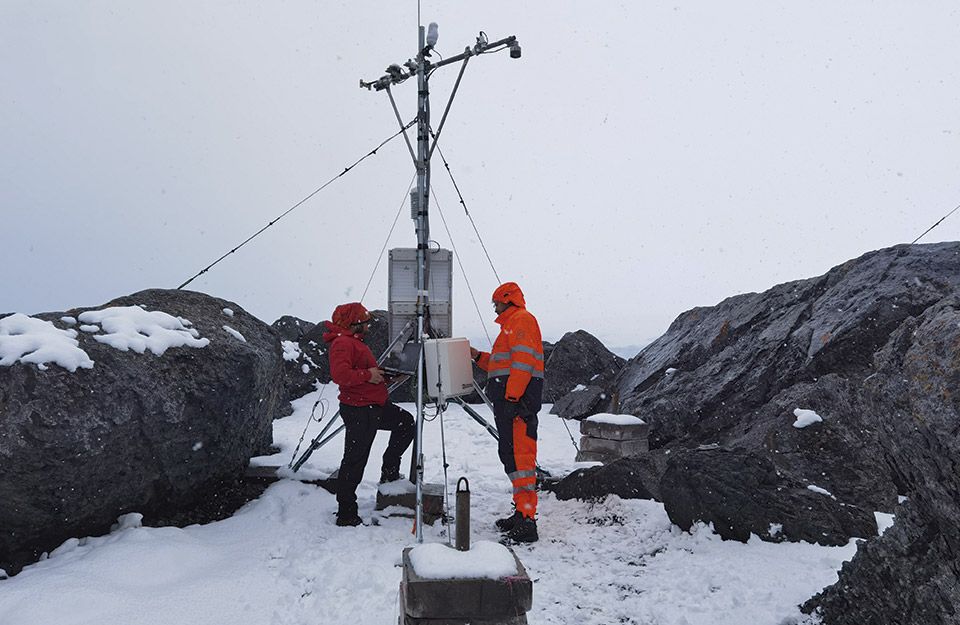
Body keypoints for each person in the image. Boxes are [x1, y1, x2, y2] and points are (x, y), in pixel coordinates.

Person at [323, 302, 415, 527]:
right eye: (365, 322)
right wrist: (368, 375)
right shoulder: (343, 343)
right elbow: (340, 374)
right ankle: (346, 513)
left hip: (373, 406)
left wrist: (385, 377)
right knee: (355, 459)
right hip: (359, 409)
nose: (368, 327)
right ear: (355, 324)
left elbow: (361, 373)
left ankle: (389, 471)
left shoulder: (353, 342)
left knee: (405, 423)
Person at [470, 282, 544, 543]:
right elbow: (502, 364)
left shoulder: (522, 320)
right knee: (512, 457)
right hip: (509, 402)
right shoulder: (511, 326)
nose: (494, 307)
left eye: (496, 302)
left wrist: (512, 396)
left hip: (516, 402)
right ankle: (521, 512)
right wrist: (477, 356)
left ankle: (527, 522)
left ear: (507, 300)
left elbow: (523, 363)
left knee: (521, 458)